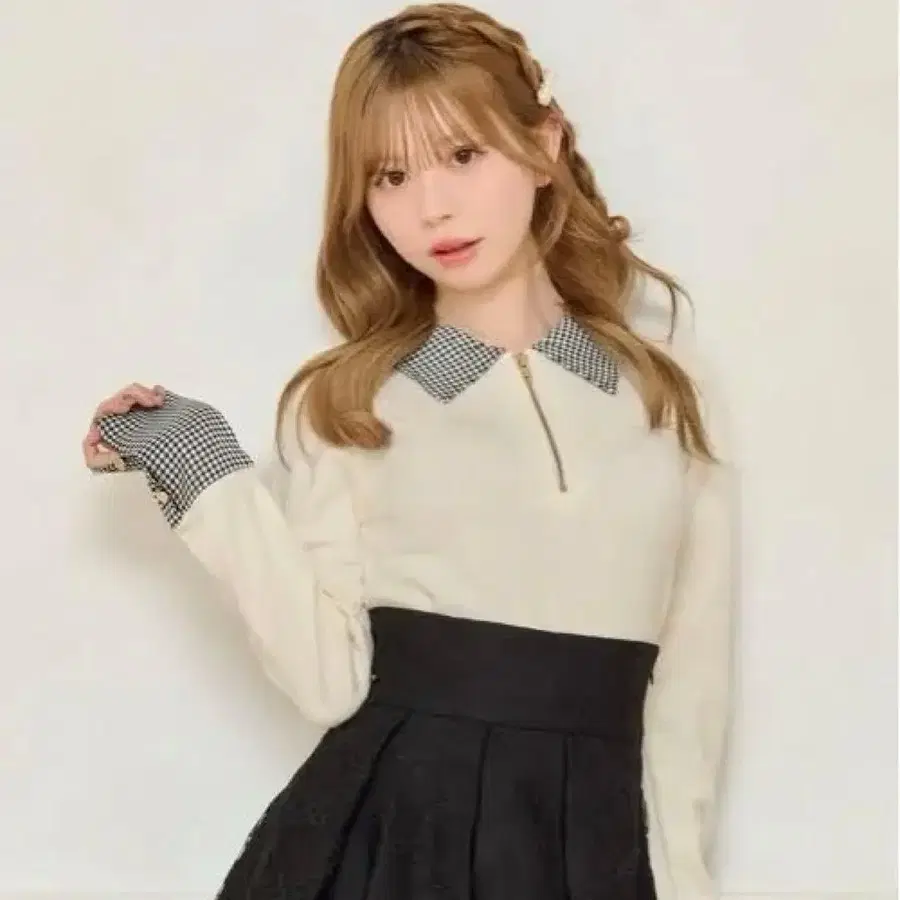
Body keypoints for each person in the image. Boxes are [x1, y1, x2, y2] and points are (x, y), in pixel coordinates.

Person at [81, 3, 737, 898]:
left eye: (463, 155)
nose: (432, 208)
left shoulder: (665, 394)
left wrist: (686, 883)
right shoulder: (349, 402)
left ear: (543, 144)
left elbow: (692, 692)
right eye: (389, 176)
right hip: (390, 846)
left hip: (587, 848)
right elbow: (328, 681)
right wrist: (207, 472)